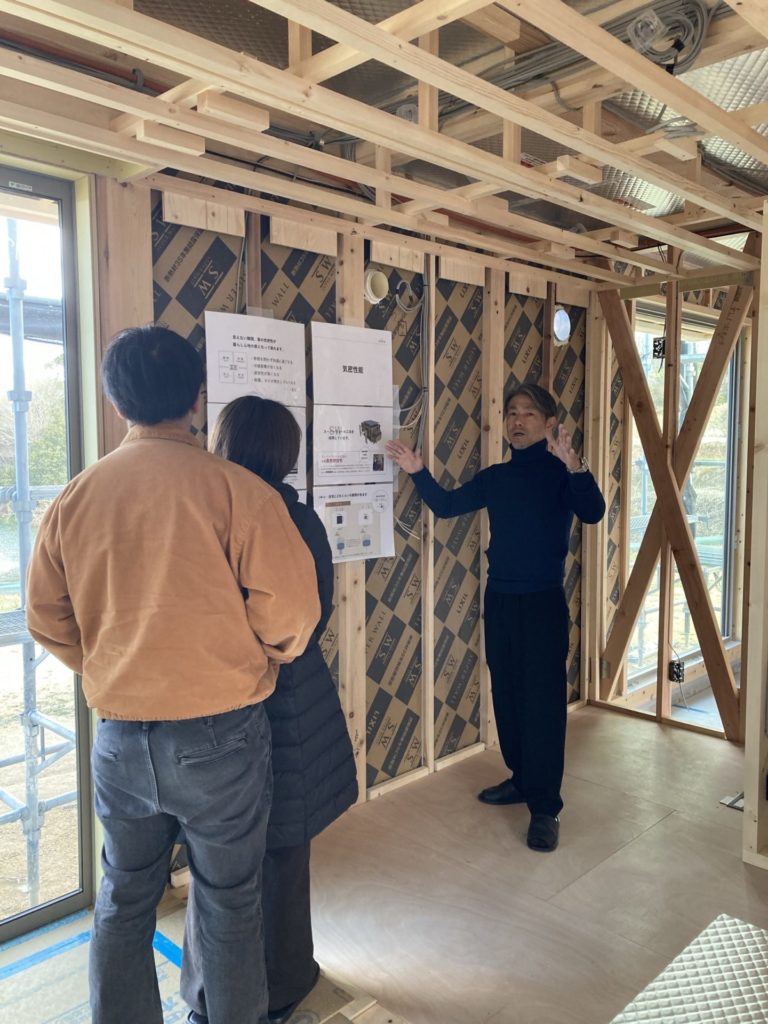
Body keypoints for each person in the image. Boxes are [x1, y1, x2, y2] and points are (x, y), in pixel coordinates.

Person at [26, 326, 320, 1024]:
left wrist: (110, 666)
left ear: (116, 402)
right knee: (229, 899)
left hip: (119, 733)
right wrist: (258, 657)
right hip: (223, 734)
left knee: (123, 899)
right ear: (196, 400)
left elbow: (46, 619)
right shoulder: (239, 493)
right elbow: (293, 616)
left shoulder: (74, 498)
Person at [180, 394, 357, 1024]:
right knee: (282, 850)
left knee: (216, 855)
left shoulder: (200, 512)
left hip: (217, 699)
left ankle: (208, 994)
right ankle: (283, 985)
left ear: (225, 441)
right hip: (293, 696)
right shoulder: (297, 517)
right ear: (285, 452)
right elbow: (316, 613)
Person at [386, 383, 605, 853]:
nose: (517, 421)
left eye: (529, 413)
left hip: (543, 603)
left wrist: (576, 466)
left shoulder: (562, 474)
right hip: (501, 601)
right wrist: (417, 471)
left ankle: (544, 807)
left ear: (550, 424)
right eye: (511, 413)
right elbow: (448, 506)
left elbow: (593, 512)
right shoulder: (497, 477)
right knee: (506, 695)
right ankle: (521, 779)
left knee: (542, 704)